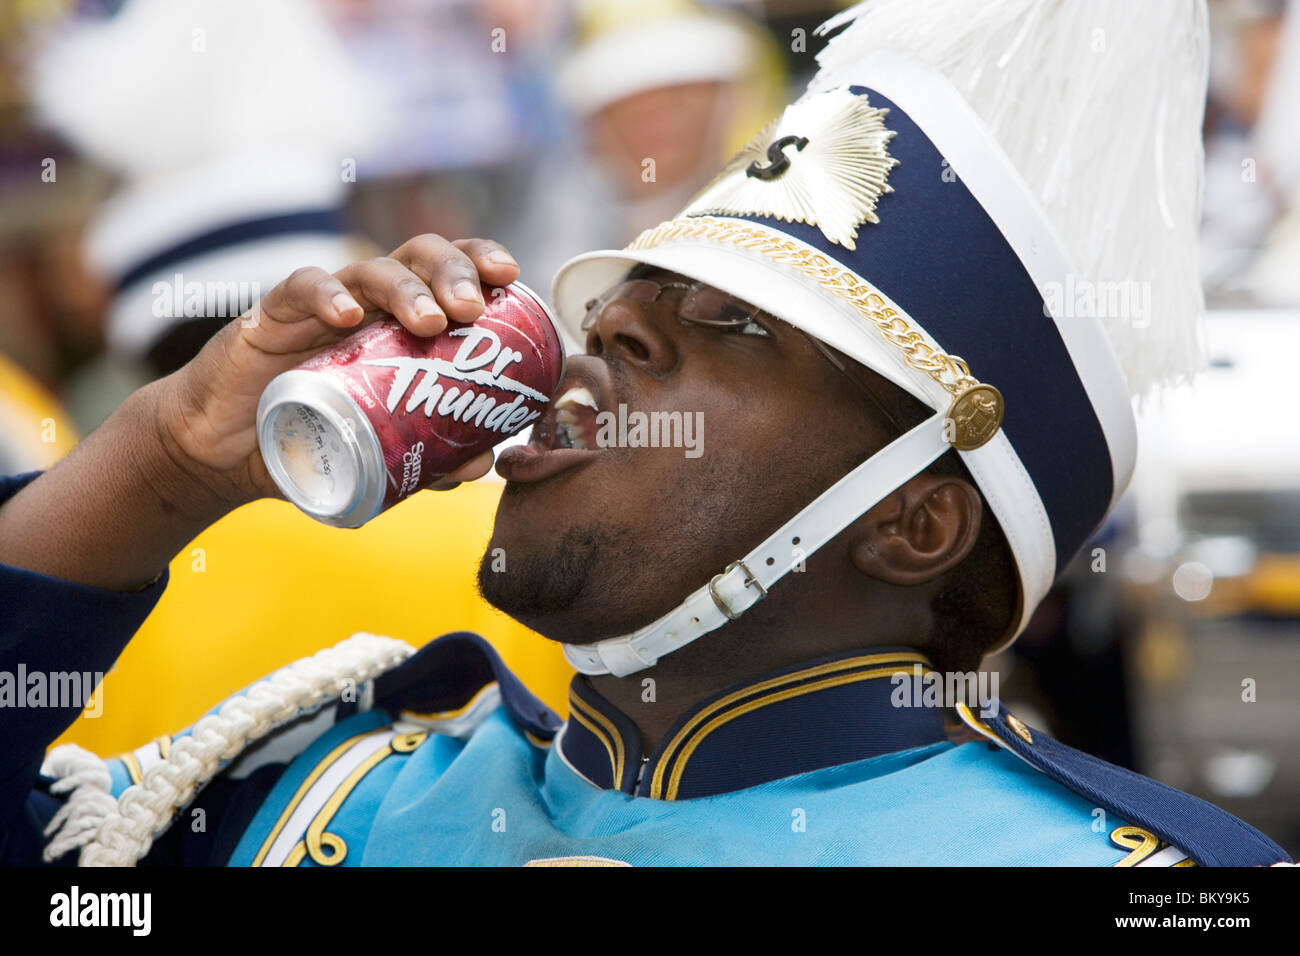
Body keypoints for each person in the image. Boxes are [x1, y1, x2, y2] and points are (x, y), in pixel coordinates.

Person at [1, 0, 1293, 866]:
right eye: (627, 302)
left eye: (733, 329)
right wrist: (165, 458)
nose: (611, 328)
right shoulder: (321, 796)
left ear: (915, 523)